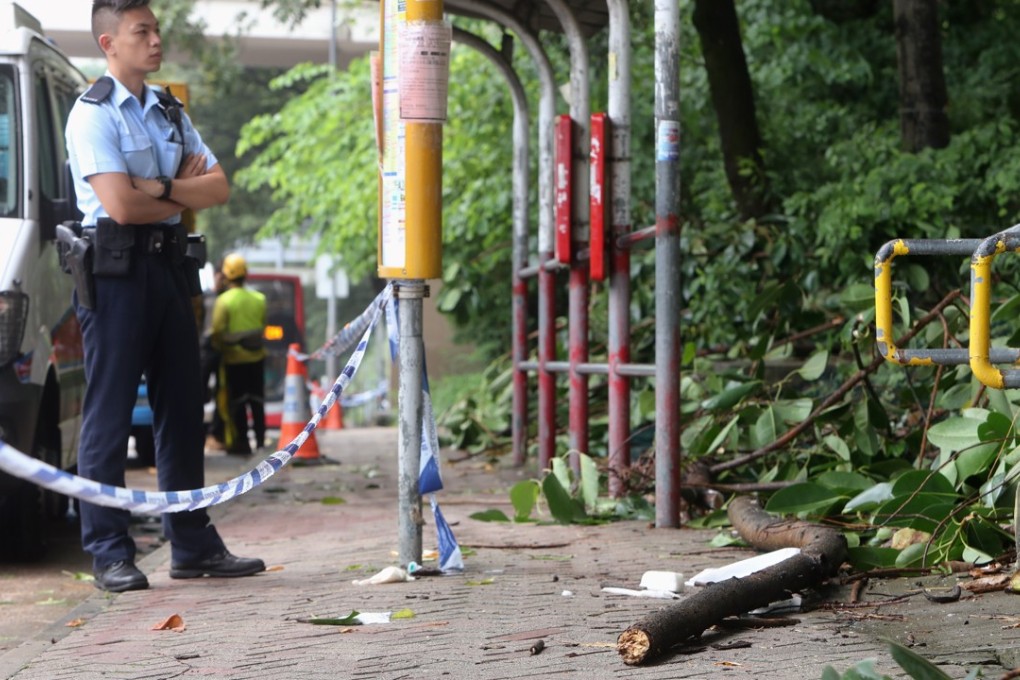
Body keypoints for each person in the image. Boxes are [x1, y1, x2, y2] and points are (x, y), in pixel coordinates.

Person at [64, 0, 264, 592]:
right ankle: (108, 550)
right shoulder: (91, 114)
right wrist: (180, 191)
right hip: (117, 272)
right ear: (109, 43)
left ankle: (193, 544)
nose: (155, 41)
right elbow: (121, 206)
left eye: (156, 30)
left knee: (182, 409)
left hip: (172, 270)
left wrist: (158, 187)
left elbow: (220, 187)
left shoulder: (168, 109)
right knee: (109, 413)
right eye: (141, 32)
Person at [211, 254, 268, 455]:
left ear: (226, 275)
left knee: (237, 403)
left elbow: (217, 332)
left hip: (233, 361)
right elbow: (262, 325)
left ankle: (242, 443)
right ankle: (261, 441)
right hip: (257, 359)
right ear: (246, 274)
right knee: (257, 401)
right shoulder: (259, 299)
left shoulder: (223, 301)